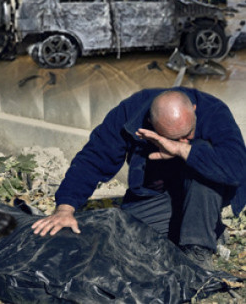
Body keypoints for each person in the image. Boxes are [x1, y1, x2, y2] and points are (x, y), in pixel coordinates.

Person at [32, 88, 246, 268]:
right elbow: (93, 159)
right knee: (124, 240)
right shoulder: (129, 114)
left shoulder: (214, 111)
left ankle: (198, 250)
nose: (183, 139)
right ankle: (211, 230)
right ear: (151, 125)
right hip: (157, 196)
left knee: (203, 153)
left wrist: (184, 150)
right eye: (173, 137)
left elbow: (236, 168)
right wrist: (65, 208)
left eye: (188, 133)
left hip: (202, 194)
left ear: (195, 111)